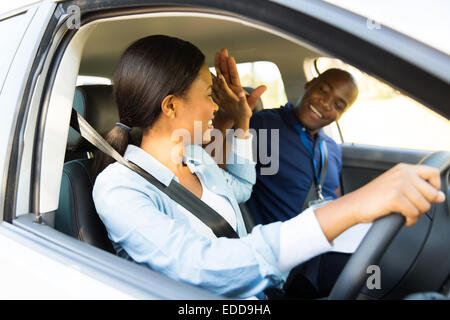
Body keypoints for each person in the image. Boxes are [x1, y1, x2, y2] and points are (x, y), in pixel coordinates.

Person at [92, 35, 445, 300]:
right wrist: (349, 209)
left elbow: (242, 187)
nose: (216, 104)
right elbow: (201, 266)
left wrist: (242, 121)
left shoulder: (195, 159)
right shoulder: (119, 187)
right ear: (171, 106)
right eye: (208, 94)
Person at [212, 49, 358, 297]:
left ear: (341, 114)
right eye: (323, 90)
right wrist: (231, 117)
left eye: (338, 105)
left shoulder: (330, 148)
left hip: (327, 245)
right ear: (310, 83)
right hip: (287, 256)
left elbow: (334, 195)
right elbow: (213, 167)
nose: (325, 104)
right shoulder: (264, 126)